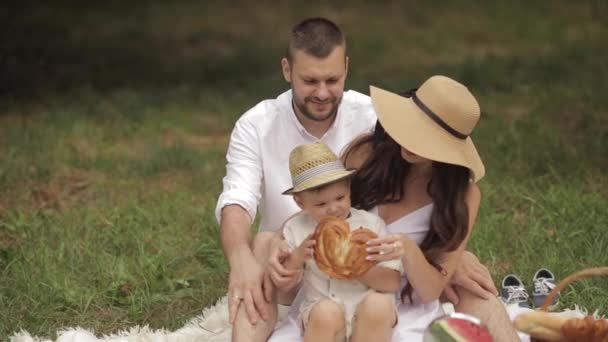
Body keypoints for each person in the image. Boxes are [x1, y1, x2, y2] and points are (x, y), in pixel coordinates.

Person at [216, 17, 510, 342]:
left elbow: (428, 279)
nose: (323, 92)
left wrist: (446, 258)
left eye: (332, 79)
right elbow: (311, 208)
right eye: (310, 80)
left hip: (393, 292)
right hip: (327, 278)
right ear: (287, 70)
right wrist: (266, 247)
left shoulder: (457, 192)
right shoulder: (369, 150)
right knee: (264, 245)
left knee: (472, 286)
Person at [268, 76, 522, 342]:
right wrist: (279, 243)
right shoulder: (367, 154)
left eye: (428, 138)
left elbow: (431, 289)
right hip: (332, 297)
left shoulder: (462, 195)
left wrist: (409, 251)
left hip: (397, 306)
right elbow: (318, 208)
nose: (411, 141)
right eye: (411, 127)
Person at [276, 141, 402, 341]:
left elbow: (393, 282)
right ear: (300, 202)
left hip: (365, 306)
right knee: (326, 312)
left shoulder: (371, 225)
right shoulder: (296, 230)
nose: (333, 208)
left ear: (349, 188)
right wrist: (298, 256)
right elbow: (284, 286)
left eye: (340, 198)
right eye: (321, 203)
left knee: (380, 305)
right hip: (322, 308)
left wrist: (355, 266)